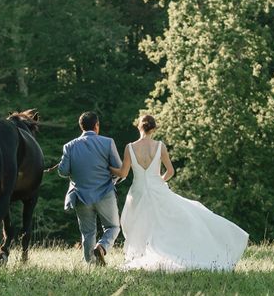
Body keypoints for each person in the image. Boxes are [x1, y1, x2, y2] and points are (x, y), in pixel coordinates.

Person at [110, 115, 249, 270]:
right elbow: (170, 171)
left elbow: (123, 173)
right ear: (154, 129)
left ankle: (142, 253)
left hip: (138, 191)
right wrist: (159, 181)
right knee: (167, 221)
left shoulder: (130, 147)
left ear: (138, 127)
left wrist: (108, 168)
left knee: (140, 223)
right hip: (157, 189)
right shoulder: (160, 146)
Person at [55, 112, 122, 265]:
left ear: (81, 126)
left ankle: (91, 265)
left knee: (87, 233)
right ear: (96, 125)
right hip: (105, 192)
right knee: (113, 226)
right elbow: (119, 169)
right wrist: (112, 181)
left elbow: (63, 172)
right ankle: (102, 247)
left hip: (80, 195)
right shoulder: (108, 142)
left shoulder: (69, 146)